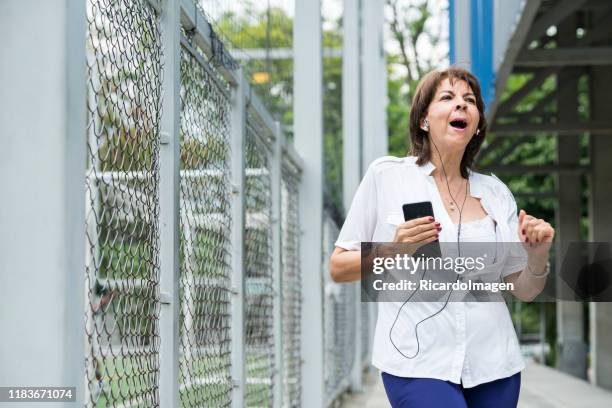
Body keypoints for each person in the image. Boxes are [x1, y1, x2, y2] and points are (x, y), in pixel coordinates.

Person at [329, 67, 555, 408]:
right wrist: (392, 249)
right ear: (423, 119)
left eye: (469, 101)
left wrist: (538, 255)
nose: (461, 106)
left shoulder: (496, 193)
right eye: (447, 98)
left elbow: (522, 289)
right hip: (416, 362)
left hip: (494, 364)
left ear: (477, 122)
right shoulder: (386, 177)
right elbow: (338, 267)